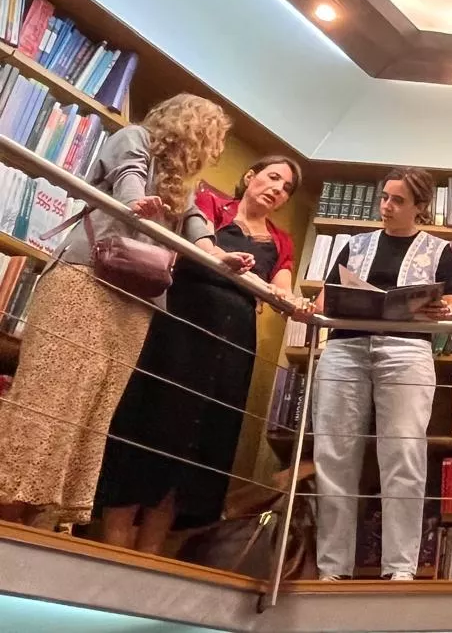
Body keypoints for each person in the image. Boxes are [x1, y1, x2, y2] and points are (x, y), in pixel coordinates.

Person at [0, 94, 232, 528]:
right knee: (49, 397)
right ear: (192, 128)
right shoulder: (134, 137)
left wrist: (217, 254)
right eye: (213, 137)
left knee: (92, 409)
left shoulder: (184, 183)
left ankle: (38, 523)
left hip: (134, 303)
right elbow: (129, 176)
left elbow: (194, 220)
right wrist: (137, 204)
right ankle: (8, 512)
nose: (214, 150)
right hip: (85, 280)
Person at [97, 156, 311, 552]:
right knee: (152, 425)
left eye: (285, 189)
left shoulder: (281, 240)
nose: (277, 190)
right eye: (272, 178)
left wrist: (297, 303)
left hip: (233, 346)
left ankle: (151, 556)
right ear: (250, 176)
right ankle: (112, 547)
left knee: (197, 441)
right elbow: (195, 247)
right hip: (183, 327)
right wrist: (240, 272)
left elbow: (282, 292)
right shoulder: (211, 203)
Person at [311, 167, 452, 581]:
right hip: (346, 347)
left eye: (398, 200)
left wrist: (444, 309)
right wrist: (324, 304)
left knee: (404, 453)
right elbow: (324, 298)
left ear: (420, 206)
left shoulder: (439, 250)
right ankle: (332, 568)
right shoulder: (355, 244)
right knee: (334, 453)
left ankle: (400, 568)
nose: (387, 206)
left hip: (406, 350)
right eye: (385, 197)